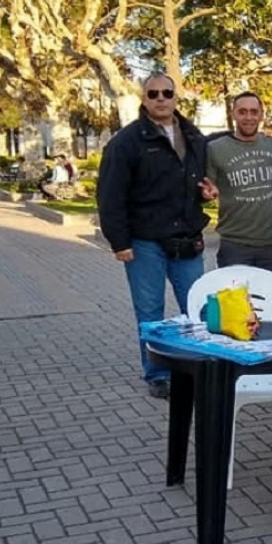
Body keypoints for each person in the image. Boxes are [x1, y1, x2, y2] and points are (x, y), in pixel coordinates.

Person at [97, 73, 212, 399]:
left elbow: (195, 182)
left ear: (176, 97)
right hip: (145, 242)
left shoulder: (193, 136)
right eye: (153, 93)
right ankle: (157, 374)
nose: (161, 98)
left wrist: (205, 194)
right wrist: (119, 242)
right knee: (150, 312)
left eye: (167, 93)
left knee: (197, 308)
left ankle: (197, 365)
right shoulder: (127, 142)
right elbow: (110, 195)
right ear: (144, 98)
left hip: (187, 239)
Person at [202, 92, 272, 272]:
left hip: (271, 245)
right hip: (234, 244)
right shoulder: (215, 148)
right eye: (243, 112)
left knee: (269, 300)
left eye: (254, 112)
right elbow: (207, 190)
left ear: (261, 114)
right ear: (234, 114)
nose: (249, 117)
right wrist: (207, 195)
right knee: (236, 299)